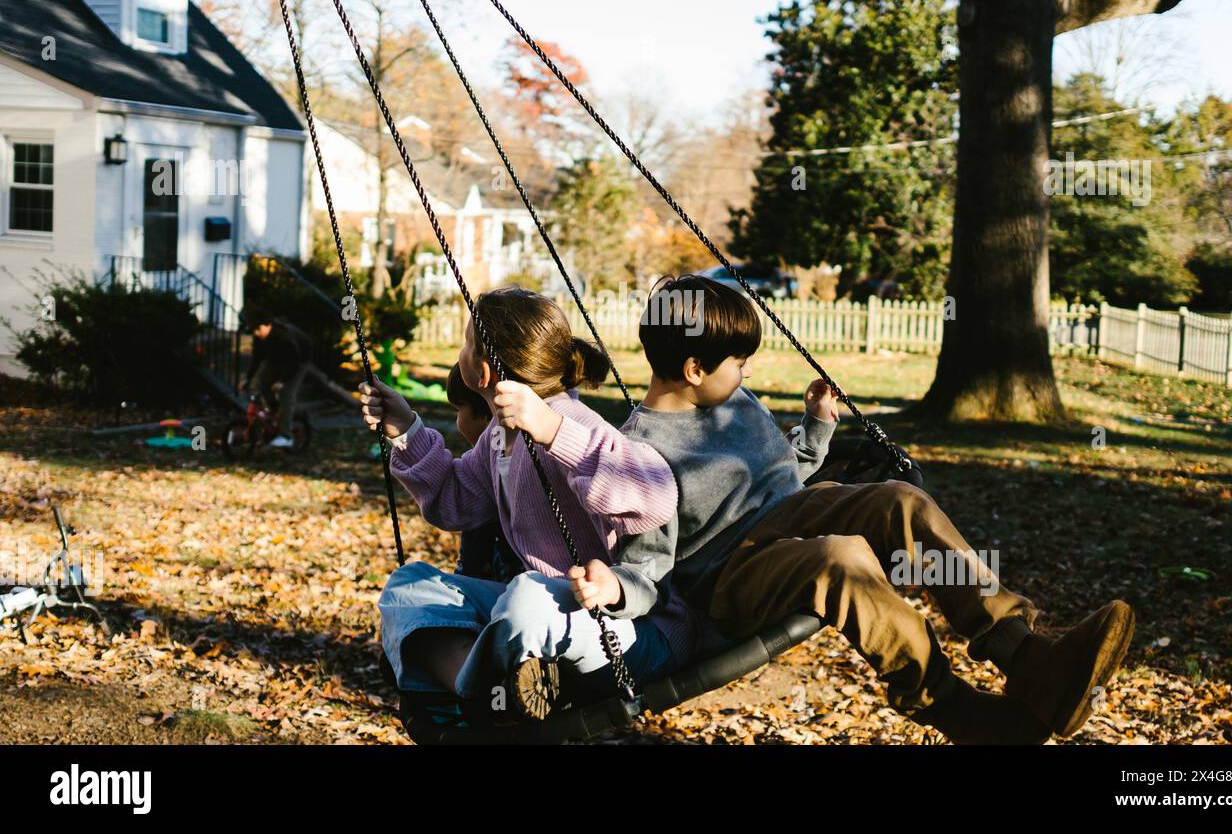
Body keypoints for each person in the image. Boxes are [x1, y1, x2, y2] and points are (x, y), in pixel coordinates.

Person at [567, 275, 1135, 744]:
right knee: (840, 561)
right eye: (737, 362)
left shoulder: (731, 399)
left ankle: (1026, 653)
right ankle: (958, 709)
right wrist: (613, 589)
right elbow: (649, 565)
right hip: (726, 577)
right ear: (693, 369)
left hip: (792, 511)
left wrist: (815, 427)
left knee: (899, 502)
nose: (746, 373)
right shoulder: (639, 452)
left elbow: (776, 472)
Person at [360, 287, 692, 719]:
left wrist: (553, 431)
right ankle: (478, 685)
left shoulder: (570, 422)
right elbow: (453, 502)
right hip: (543, 616)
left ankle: (477, 684)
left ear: (481, 371)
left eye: (466, 342)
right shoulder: (499, 438)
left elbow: (656, 496)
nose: (460, 351)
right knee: (410, 587)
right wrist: (405, 428)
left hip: (624, 627)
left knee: (525, 596)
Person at [443, 364, 523, 583]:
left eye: (459, 410)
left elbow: (470, 578)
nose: (457, 421)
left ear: (488, 415)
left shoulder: (485, 483)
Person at [242, 308, 312, 449]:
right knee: (261, 383)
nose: (256, 333)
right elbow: (257, 359)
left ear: (268, 325)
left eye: (257, 329)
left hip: (299, 359)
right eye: (253, 330)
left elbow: (294, 360)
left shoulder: (282, 336)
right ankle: (274, 415)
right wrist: (247, 378)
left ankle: (286, 436)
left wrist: (282, 381)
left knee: (286, 393)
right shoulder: (260, 336)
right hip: (277, 358)